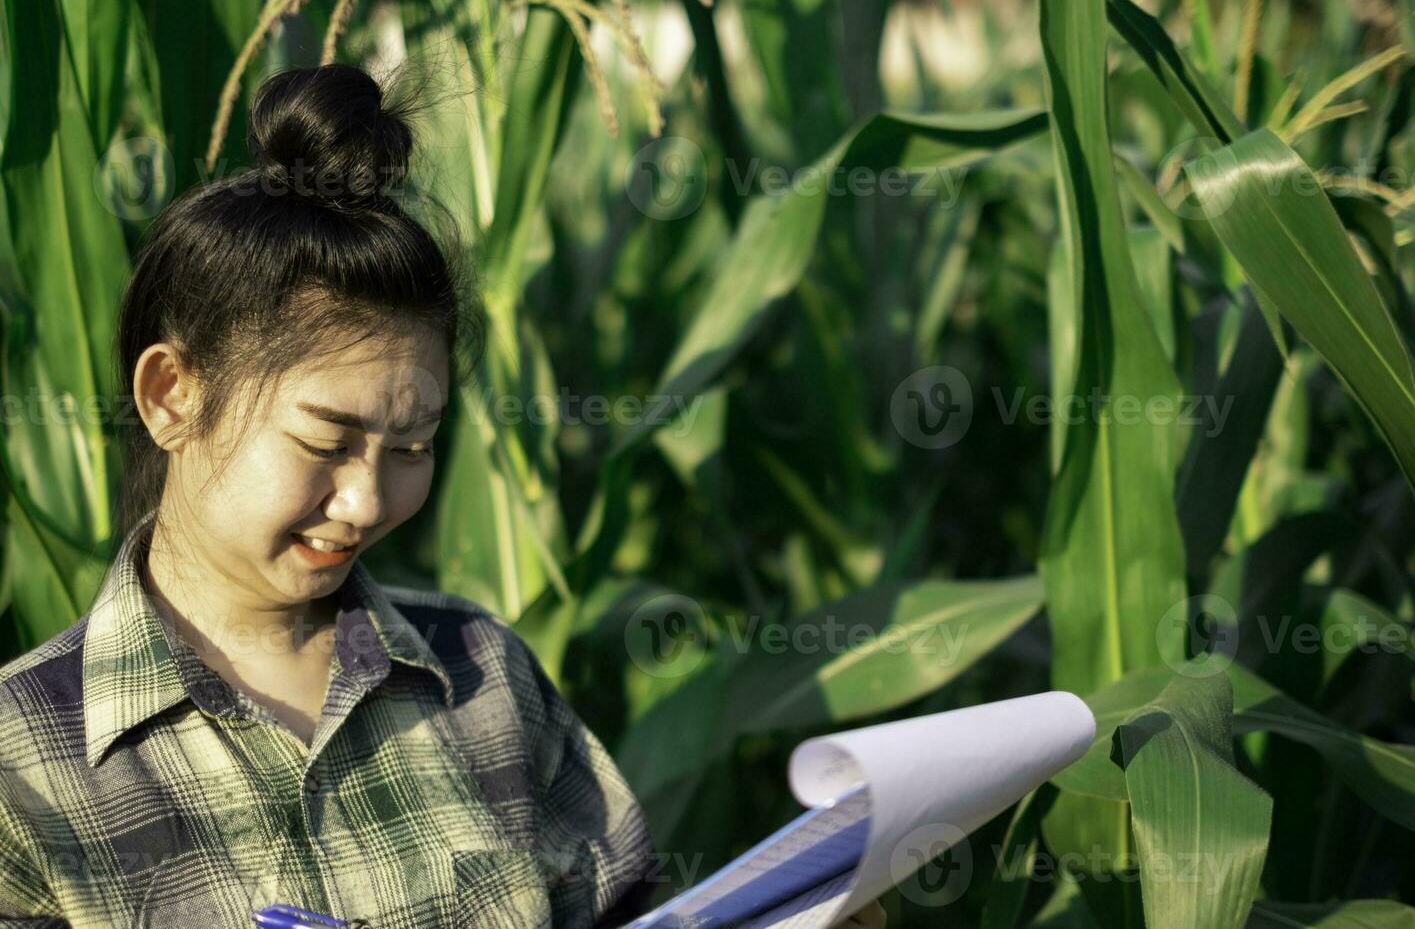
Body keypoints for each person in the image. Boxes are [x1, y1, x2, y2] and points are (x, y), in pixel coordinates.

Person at [0, 63, 884, 928]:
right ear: (170, 397)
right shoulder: (23, 769)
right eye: (326, 442)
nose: (364, 501)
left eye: (414, 447)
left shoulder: (482, 673)